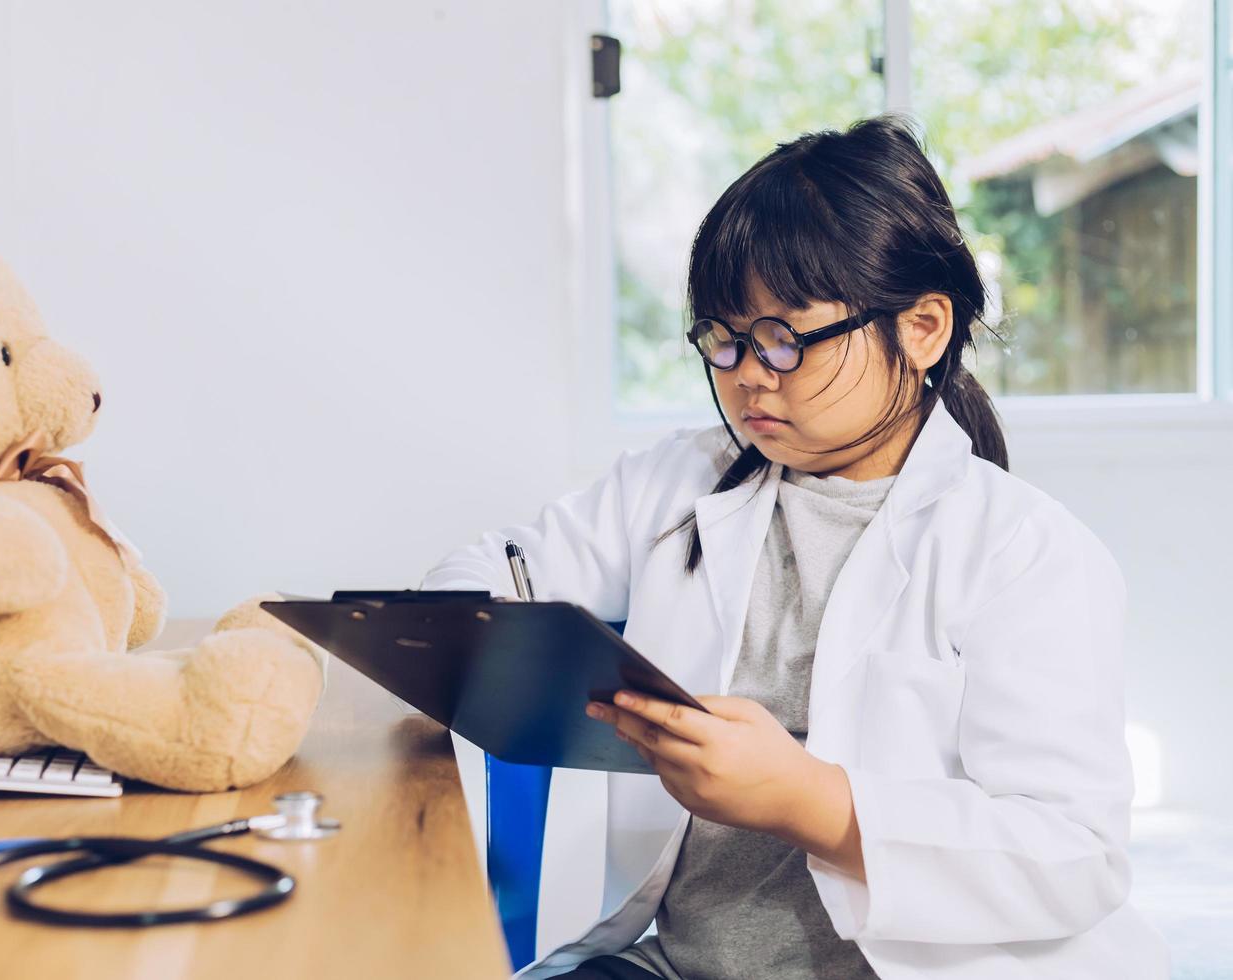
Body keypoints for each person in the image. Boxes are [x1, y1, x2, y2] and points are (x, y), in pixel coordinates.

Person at [418, 115, 1168, 979]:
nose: (746, 374)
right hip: (685, 962)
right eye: (725, 338)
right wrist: (466, 633)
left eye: (784, 339)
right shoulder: (677, 484)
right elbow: (492, 567)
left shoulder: (1023, 552)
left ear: (922, 328)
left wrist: (813, 802)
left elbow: (1074, 857)